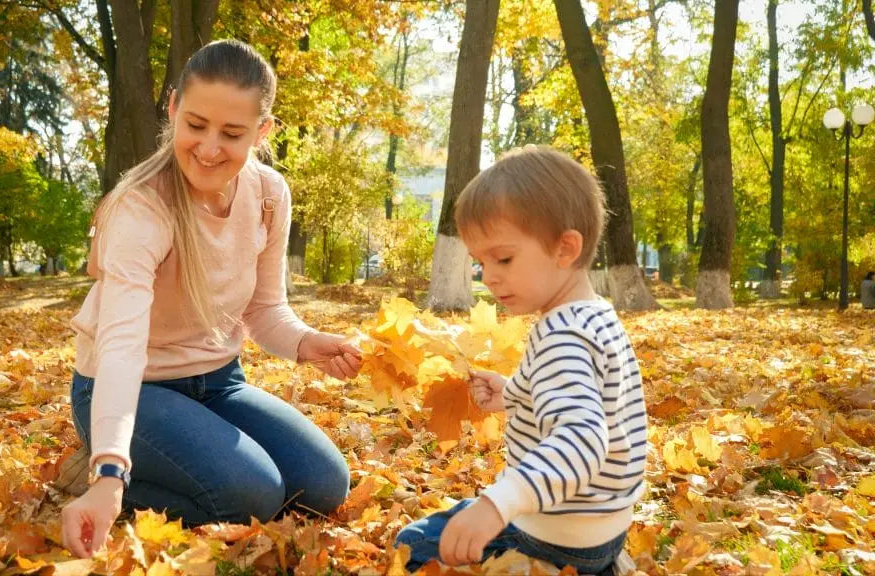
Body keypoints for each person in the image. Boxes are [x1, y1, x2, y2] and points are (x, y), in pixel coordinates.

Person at [58, 39, 361, 559]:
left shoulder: (268, 195)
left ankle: (178, 461)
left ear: (263, 131)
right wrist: (109, 468)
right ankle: (101, 473)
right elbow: (121, 347)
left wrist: (307, 342)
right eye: (196, 124)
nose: (209, 147)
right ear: (173, 107)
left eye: (232, 133)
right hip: (133, 389)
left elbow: (264, 309)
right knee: (254, 495)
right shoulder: (141, 209)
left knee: (325, 483)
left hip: (219, 383)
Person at [394, 146, 646, 574]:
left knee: (413, 544)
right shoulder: (594, 315)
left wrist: (498, 505)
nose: (489, 277)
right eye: (481, 263)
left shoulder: (561, 335)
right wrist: (512, 393)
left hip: (554, 534)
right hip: (602, 527)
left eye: (504, 258)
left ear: (565, 249)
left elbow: (582, 439)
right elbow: (587, 398)